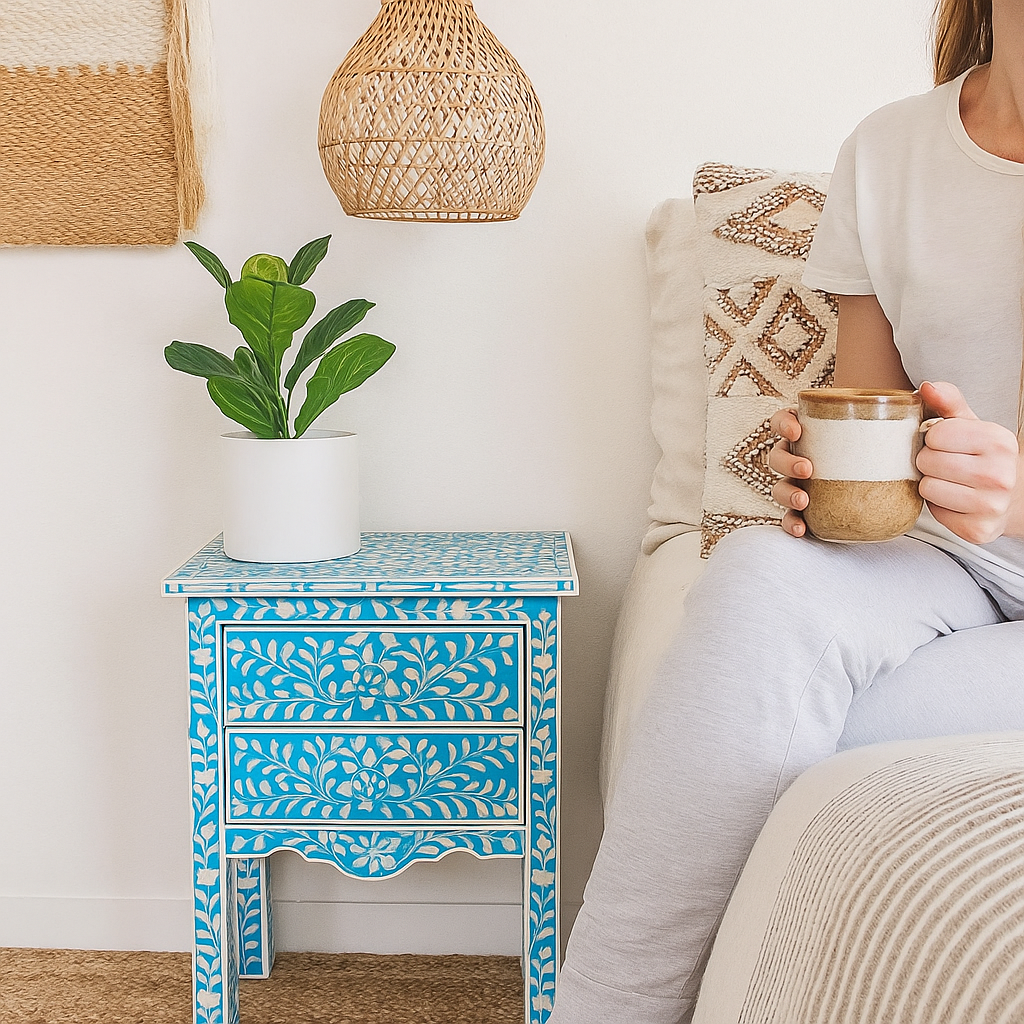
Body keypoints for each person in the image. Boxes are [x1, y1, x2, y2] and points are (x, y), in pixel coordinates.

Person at [549, 1, 1024, 1022]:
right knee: (755, 580)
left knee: (737, 727)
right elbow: (874, 403)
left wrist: (1015, 494)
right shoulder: (890, 151)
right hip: (951, 567)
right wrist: (824, 469)